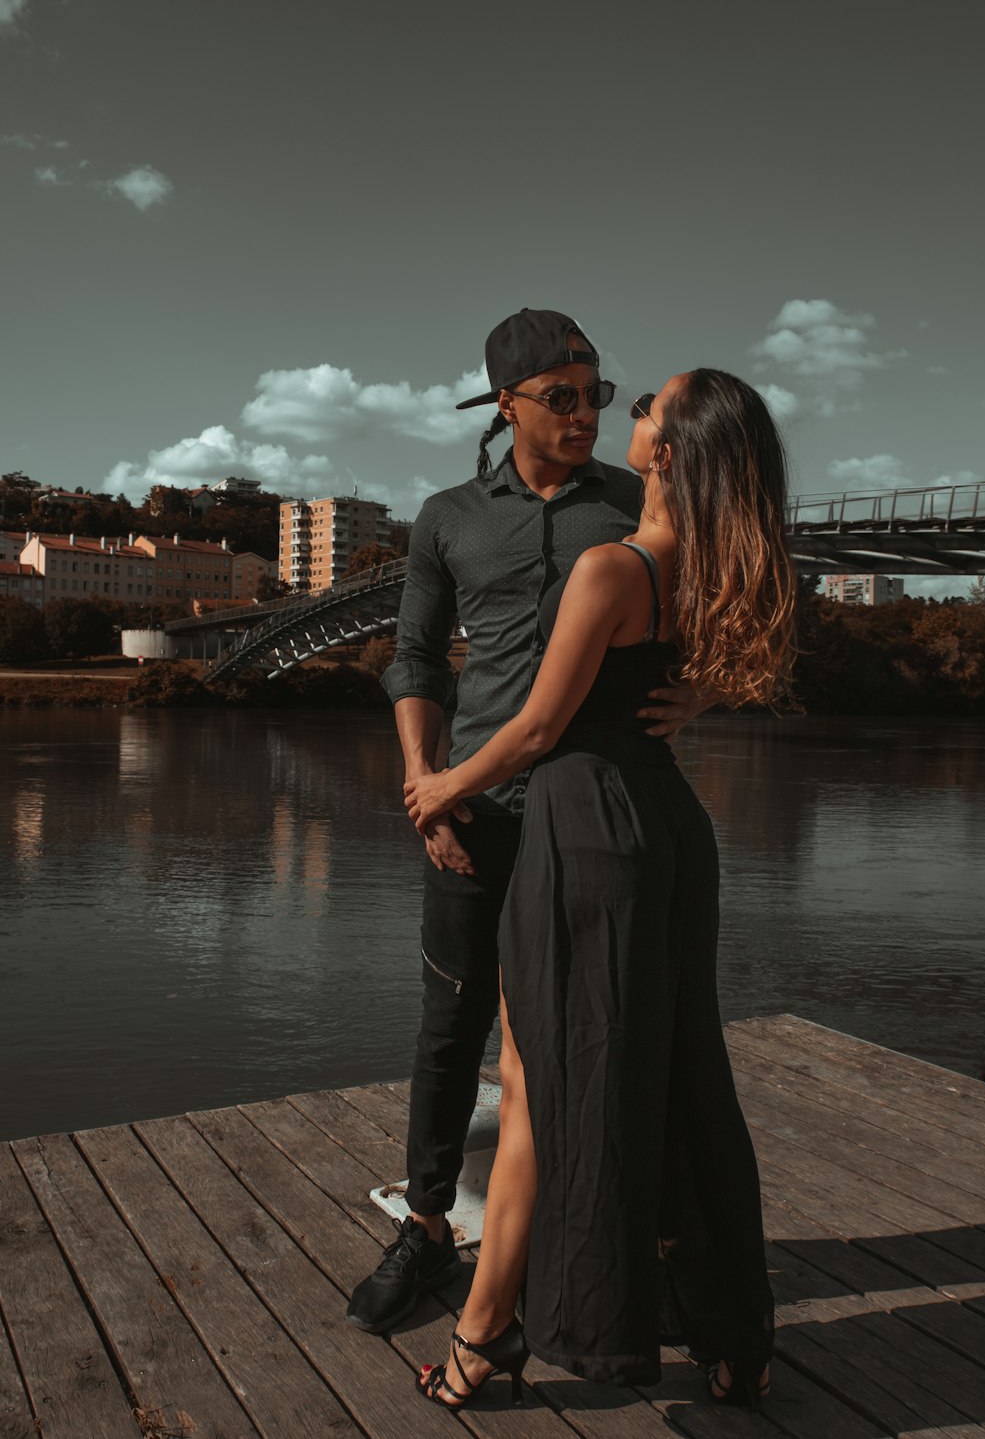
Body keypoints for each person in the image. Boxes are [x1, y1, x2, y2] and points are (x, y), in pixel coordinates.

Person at [404, 367, 796, 1410]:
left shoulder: (610, 566)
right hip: (667, 828)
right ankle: (733, 1332)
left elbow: (536, 729)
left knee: (536, 1087)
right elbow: (723, 665)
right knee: (681, 1077)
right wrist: (698, 695)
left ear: (666, 453)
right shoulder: (711, 566)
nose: (625, 417)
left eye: (643, 408)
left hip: (585, 832)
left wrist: (439, 783)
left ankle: (487, 1334)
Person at [346, 310, 710, 1335]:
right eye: (561, 395)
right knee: (451, 1025)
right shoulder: (448, 516)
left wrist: (709, 693)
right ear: (504, 404)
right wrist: (428, 783)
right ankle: (423, 1226)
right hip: (477, 807)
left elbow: (734, 601)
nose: (585, 412)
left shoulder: (638, 503)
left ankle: (631, 1238)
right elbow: (414, 660)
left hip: (596, 815)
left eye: (594, 392)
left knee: (606, 1030)